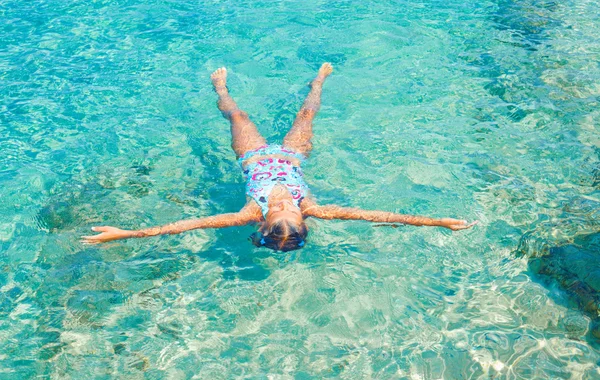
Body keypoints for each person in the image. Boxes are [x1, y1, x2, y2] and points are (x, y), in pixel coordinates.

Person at [82, 63, 477, 251]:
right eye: (292, 210)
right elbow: (381, 216)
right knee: (306, 114)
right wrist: (439, 222)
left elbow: (184, 225)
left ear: (267, 221)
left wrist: (127, 233)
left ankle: (220, 86)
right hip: (292, 155)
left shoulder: (247, 215)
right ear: (302, 219)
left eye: (282, 210)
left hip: (253, 156)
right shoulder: (314, 208)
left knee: (238, 115)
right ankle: (318, 80)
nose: (288, 203)